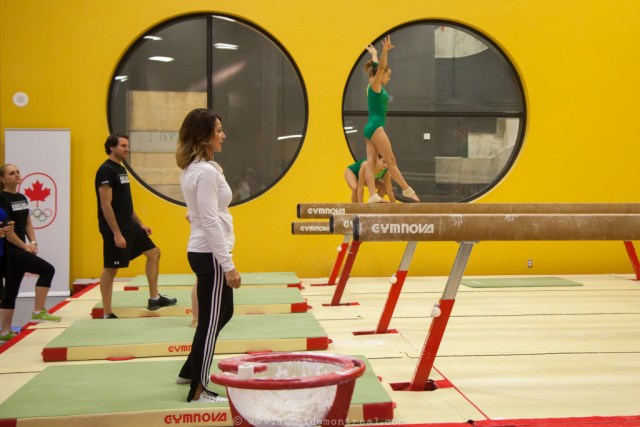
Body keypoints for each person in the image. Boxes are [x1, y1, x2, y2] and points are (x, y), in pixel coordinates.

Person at [175, 108, 241, 403]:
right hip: (212, 256)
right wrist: (228, 265)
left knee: (223, 313)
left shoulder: (201, 169)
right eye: (218, 130)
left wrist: (196, 215)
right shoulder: (202, 171)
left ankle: (189, 369)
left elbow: (200, 210)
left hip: (207, 251)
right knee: (210, 321)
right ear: (204, 137)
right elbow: (211, 219)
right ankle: (198, 389)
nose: (223, 135)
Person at [95, 134, 176, 318]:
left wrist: (140, 224)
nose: (127, 149)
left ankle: (154, 298)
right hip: (114, 228)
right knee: (111, 268)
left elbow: (125, 203)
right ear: (112, 148)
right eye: (123, 146)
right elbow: (106, 205)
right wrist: (116, 233)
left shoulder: (121, 169)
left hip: (129, 225)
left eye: (127, 145)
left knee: (154, 252)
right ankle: (107, 312)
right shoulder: (105, 171)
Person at [0, 164, 59, 342]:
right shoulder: (1, 198)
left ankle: (4, 332)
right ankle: (38, 311)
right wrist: (24, 247)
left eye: (17, 172)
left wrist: (32, 242)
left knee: (12, 289)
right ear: (2, 179)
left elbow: (27, 222)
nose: (17, 175)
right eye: (12, 173)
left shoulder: (22, 197)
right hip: (10, 249)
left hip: (21, 245)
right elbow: (7, 230)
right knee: (48, 269)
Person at [363, 37, 420, 203]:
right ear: (379, 76)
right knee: (391, 161)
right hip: (376, 127)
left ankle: (372, 195)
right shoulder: (375, 85)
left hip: (370, 128)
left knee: (371, 163)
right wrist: (384, 51)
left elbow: (376, 67)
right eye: (388, 75)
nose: (389, 78)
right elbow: (380, 67)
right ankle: (407, 190)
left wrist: (374, 54)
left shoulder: (373, 85)